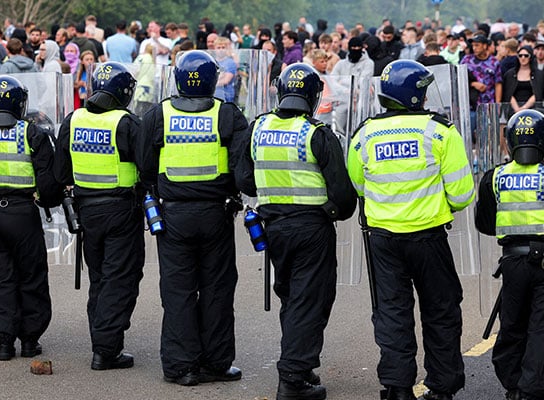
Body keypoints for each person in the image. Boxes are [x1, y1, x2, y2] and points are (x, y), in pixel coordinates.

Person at [346, 60, 475, 400]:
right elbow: (462, 195)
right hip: (429, 238)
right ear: (416, 96)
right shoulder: (440, 132)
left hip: (382, 240)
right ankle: (442, 387)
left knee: (391, 312)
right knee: (441, 311)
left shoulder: (364, 134)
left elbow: (358, 185)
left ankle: (397, 387)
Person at [235, 62, 357, 400]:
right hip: (311, 228)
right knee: (310, 300)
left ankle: (301, 365)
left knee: (292, 298)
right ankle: (292, 378)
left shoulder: (258, 127)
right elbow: (344, 197)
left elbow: (244, 179)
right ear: (313, 95)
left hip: (273, 226)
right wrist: (330, 210)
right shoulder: (316, 133)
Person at [138, 50, 247, 386]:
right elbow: (243, 167)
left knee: (178, 290)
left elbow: (144, 163)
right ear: (214, 80)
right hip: (215, 213)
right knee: (216, 288)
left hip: (172, 215)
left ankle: (181, 366)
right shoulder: (228, 114)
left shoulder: (159, 114)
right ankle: (216, 363)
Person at [474, 109, 544, 400]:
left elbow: (484, 223)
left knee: (513, 324)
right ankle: (532, 390)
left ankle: (513, 383)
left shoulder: (493, 177)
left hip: (512, 262)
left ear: (509, 141)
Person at [0, 75, 61, 360]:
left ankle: (4, 342)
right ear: (20, 103)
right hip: (22, 212)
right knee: (31, 274)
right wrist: (46, 200)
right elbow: (47, 181)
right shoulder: (31, 133)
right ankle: (30, 340)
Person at [54, 62, 145, 371]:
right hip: (121, 209)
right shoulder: (127, 123)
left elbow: (60, 172)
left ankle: (102, 339)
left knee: (100, 277)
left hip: (86, 209)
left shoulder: (73, 119)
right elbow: (145, 168)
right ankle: (106, 349)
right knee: (120, 277)